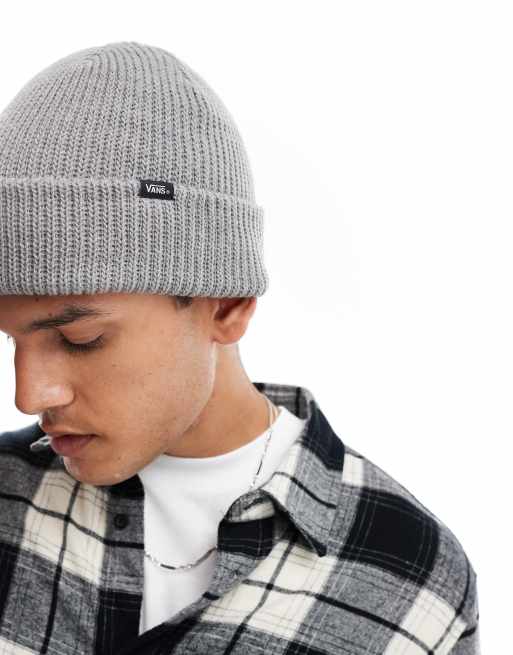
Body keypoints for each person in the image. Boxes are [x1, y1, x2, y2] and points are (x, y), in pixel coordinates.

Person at [0, 41, 480, 654]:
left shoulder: (415, 585)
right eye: (10, 339)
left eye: (80, 339)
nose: (28, 394)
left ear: (226, 306)